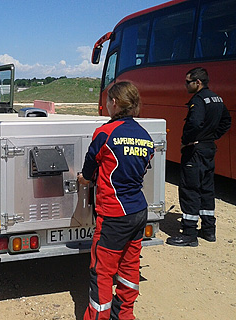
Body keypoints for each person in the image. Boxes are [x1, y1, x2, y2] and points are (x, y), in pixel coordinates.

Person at [78, 82, 154, 320]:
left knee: (101, 271)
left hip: (114, 214)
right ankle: (124, 316)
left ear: (114, 103)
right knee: (129, 268)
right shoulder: (146, 137)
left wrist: (85, 179)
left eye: (108, 101)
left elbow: (90, 167)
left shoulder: (105, 133)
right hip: (139, 210)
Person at [166, 67, 231, 247]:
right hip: (208, 148)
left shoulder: (198, 100)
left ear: (198, 82)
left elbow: (194, 123)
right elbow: (227, 121)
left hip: (194, 150)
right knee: (207, 189)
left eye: (188, 82)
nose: (185, 85)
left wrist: (188, 141)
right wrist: (211, 136)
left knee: (190, 189)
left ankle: (189, 234)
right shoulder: (217, 98)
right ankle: (209, 231)